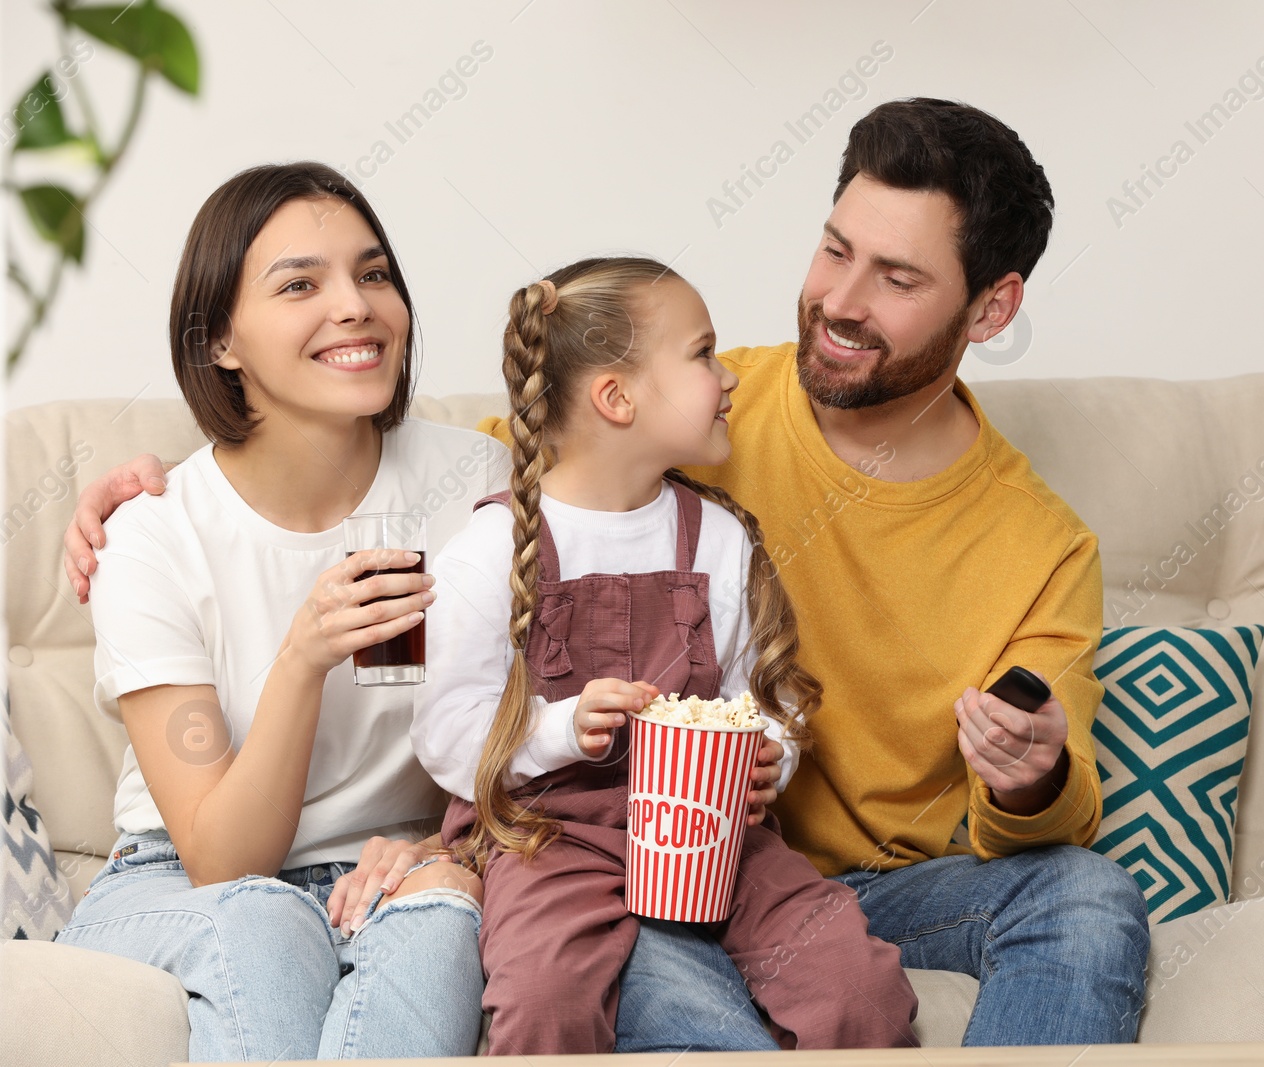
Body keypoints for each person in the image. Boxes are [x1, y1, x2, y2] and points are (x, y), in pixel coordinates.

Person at [66, 99, 1152, 1046]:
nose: (838, 300)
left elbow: (1054, 809)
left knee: (1091, 901)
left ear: (991, 308)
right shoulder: (667, 418)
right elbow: (363, 455)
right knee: (662, 995)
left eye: (898, 276)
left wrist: (1029, 774)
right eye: (833, 249)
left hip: (815, 866)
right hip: (615, 846)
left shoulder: (1039, 543)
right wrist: (160, 486)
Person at [53, 162, 502, 1061]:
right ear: (220, 340)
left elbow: (520, 749)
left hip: (393, 866)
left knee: (443, 921)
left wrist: (455, 859)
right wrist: (303, 656)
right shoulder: (151, 537)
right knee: (264, 921)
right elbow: (225, 856)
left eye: (374, 275)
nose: (356, 306)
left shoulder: (477, 484)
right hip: (184, 880)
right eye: (301, 283)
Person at [413, 256, 918, 1054]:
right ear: (616, 397)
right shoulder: (491, 548)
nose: (729, 378)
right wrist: (561, 727)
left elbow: (766, 694)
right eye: (702, 354)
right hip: (550, 837)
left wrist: (770, 756)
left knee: (855, 983)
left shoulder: (718, 538)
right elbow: (445, 734)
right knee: (543, 995)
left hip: (714, 832)